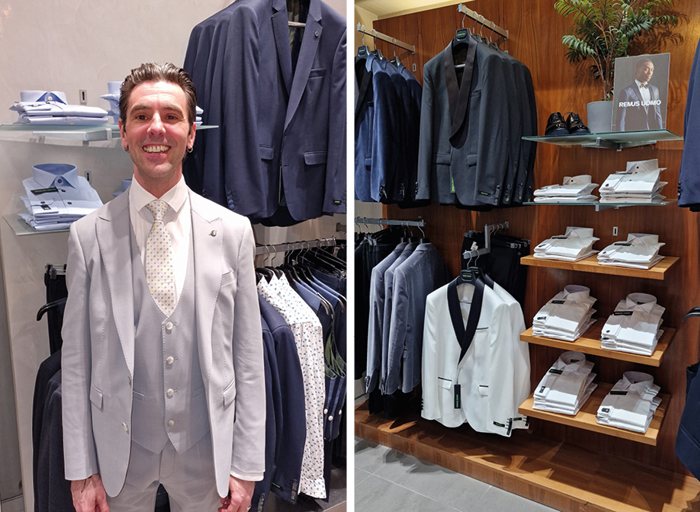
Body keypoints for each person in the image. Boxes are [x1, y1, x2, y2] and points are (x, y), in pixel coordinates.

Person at [61, 62, 265, 512]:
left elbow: (248, 358)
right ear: (124, 131)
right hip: (118, 456)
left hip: (205, 450)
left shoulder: (232, 231)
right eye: (141, 116)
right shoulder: (87, 236)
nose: (157, 128)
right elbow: (75, 364)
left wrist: (246, 467)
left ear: (191, 133)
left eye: (171, 116)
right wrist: (81, 471)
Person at [617, 57, 664, 131]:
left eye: (652, 70)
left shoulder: (655, 90)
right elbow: (621, 118)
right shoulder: (626, 92)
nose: (649, 73)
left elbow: (658, 114)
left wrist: (660, 133)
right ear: (637, 69)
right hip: (633, 135)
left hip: (651, 134)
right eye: (646, 69)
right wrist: (621, 137)